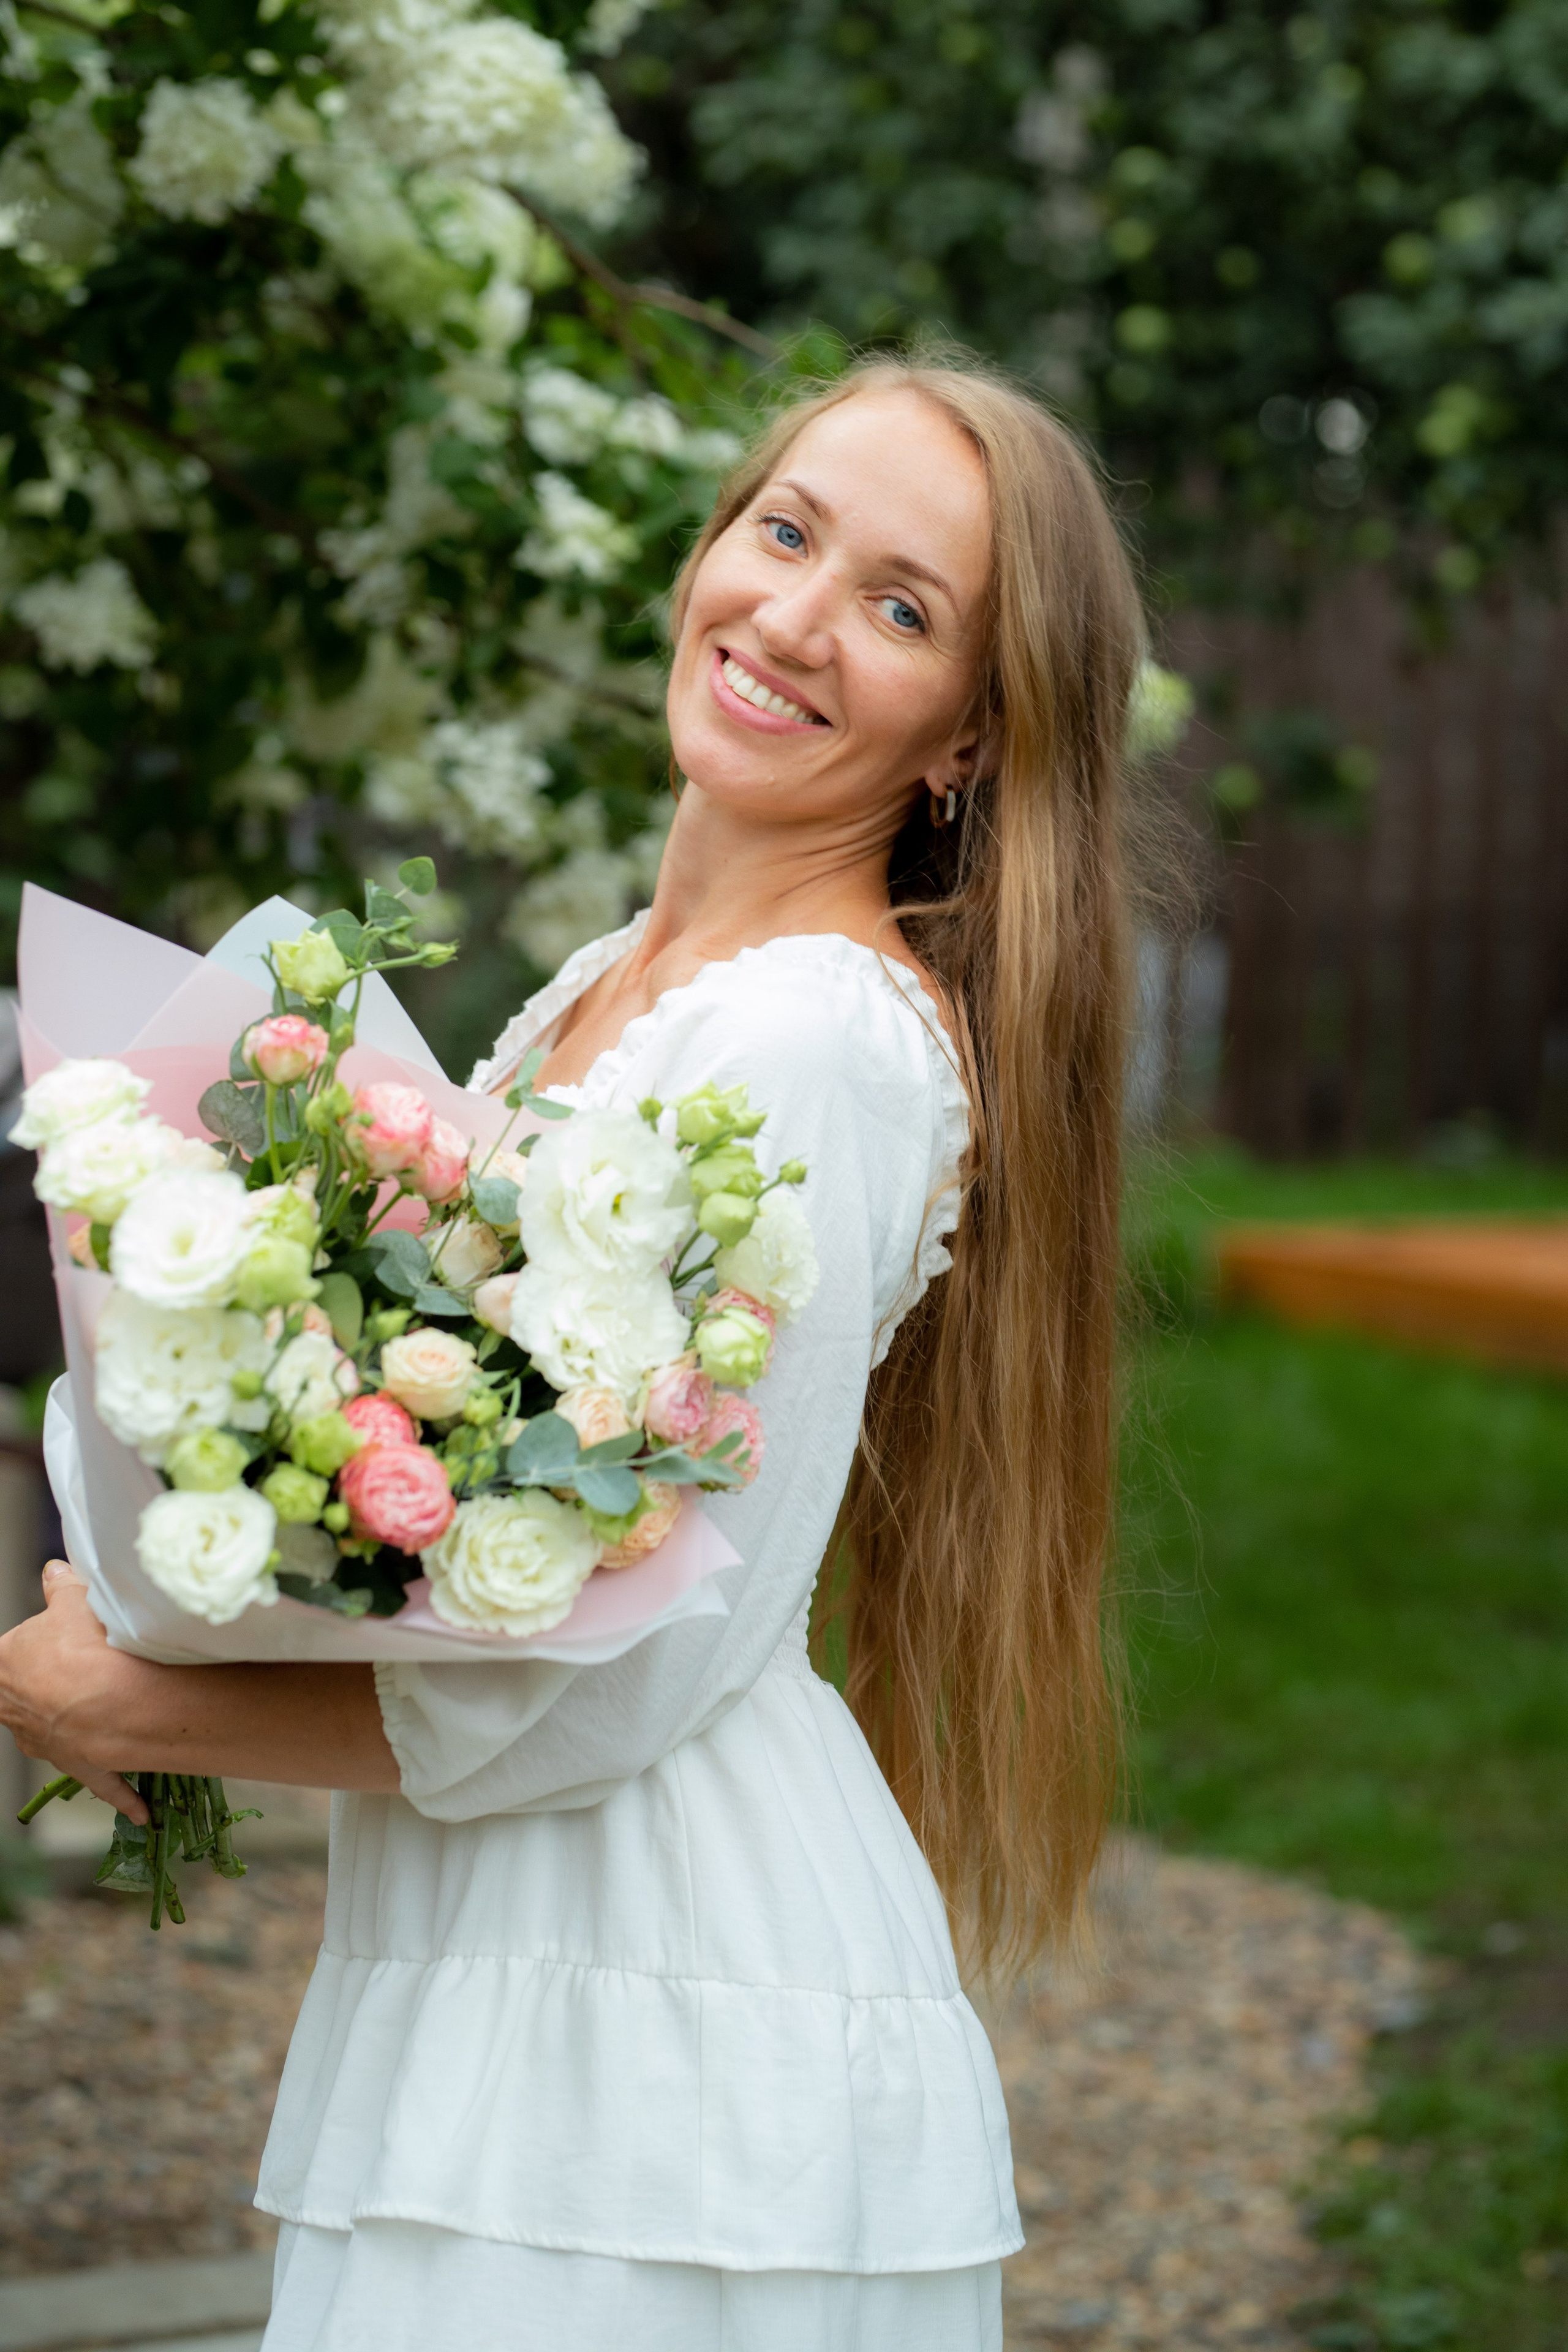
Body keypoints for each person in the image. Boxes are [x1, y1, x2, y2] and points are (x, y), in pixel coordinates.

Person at [0, 356, 1142, 2351]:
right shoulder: (609, 989)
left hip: (661, 2024)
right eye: (785, 530)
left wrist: (148, 1714)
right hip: (509, 1961)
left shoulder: (802, 1046)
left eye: (899, 606)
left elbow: (646, 1662)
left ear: (967, 734)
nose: (791, 616)